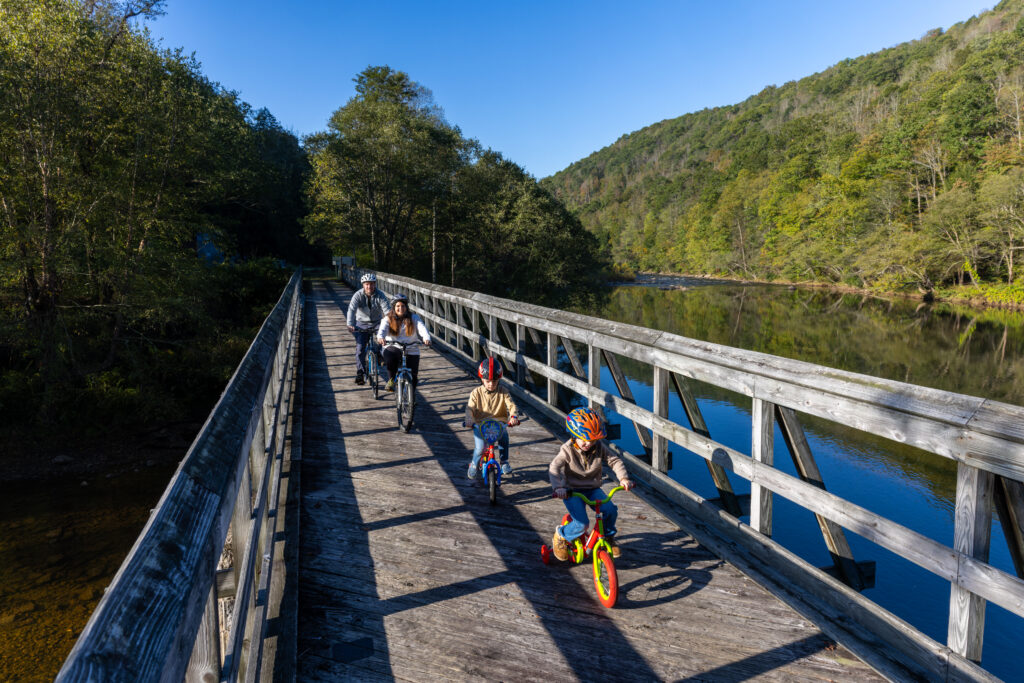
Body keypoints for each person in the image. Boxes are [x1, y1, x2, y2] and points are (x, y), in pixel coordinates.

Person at [548, 407, 634, 560]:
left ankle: (608, 537)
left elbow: (614, 461)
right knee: (582, 524)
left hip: (593, 489)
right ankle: (561, 536)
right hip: (572, 491)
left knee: (610, 510)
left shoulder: (599, 447)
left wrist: (623, 478)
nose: (588, 443)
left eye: (592, 439)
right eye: (584, 438)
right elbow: (555, 467)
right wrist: (558, 487)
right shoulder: (567, 449)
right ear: (574, 435)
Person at [464, 357, 521, 479]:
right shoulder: (476, 393)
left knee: (504, 438)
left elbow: (512, 406)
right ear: (482, 379)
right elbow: (470, 408)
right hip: (480, 425)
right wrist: (469, 419)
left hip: (498, 424)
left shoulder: (503, 391)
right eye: (488, 381)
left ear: (499, 380)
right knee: (480, 448)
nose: (491, 384)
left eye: (494, 381)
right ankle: (474, 464)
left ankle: (504, 461)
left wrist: (514, 416)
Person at [376, 294, 431, 391]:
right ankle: (391, 380)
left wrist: (426, 338)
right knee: (391, 359)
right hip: (392, 346)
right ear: (394, 307)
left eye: (403, 306)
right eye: (398, 306)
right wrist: (381, 337)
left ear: (406, 307)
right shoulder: (388, 318)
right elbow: (382, 330)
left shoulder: (414, 317)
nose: (400, 308)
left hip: (411, 347)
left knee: (413, 376)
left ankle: (412, 397)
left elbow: (422, 328)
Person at [346, 273, 390, 385]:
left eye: (371, 284)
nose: (369, 287)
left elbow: (387, 309)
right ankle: (360, 372)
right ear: (363, 285)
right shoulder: (358, 295)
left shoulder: (380, 295)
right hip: (361, 323)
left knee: (385, 339)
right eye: (366, 284)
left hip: (377, 323)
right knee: (360, 348)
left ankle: (380, 354)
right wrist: (350, 324)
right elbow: (351, 310)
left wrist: (391, 321)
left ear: (375, 284)